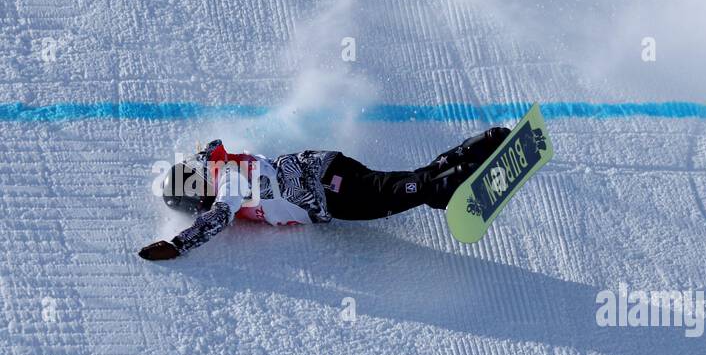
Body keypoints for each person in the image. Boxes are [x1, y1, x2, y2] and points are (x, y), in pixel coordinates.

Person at [139, 127, 510, 260]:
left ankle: (460, 182)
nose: (200, 204)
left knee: (399, 194)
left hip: (326, 189)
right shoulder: (228, 170)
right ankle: (476, 149)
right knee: (400, 186)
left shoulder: (228, 180)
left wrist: (178, 244)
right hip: (325, 173)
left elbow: (218, 217)